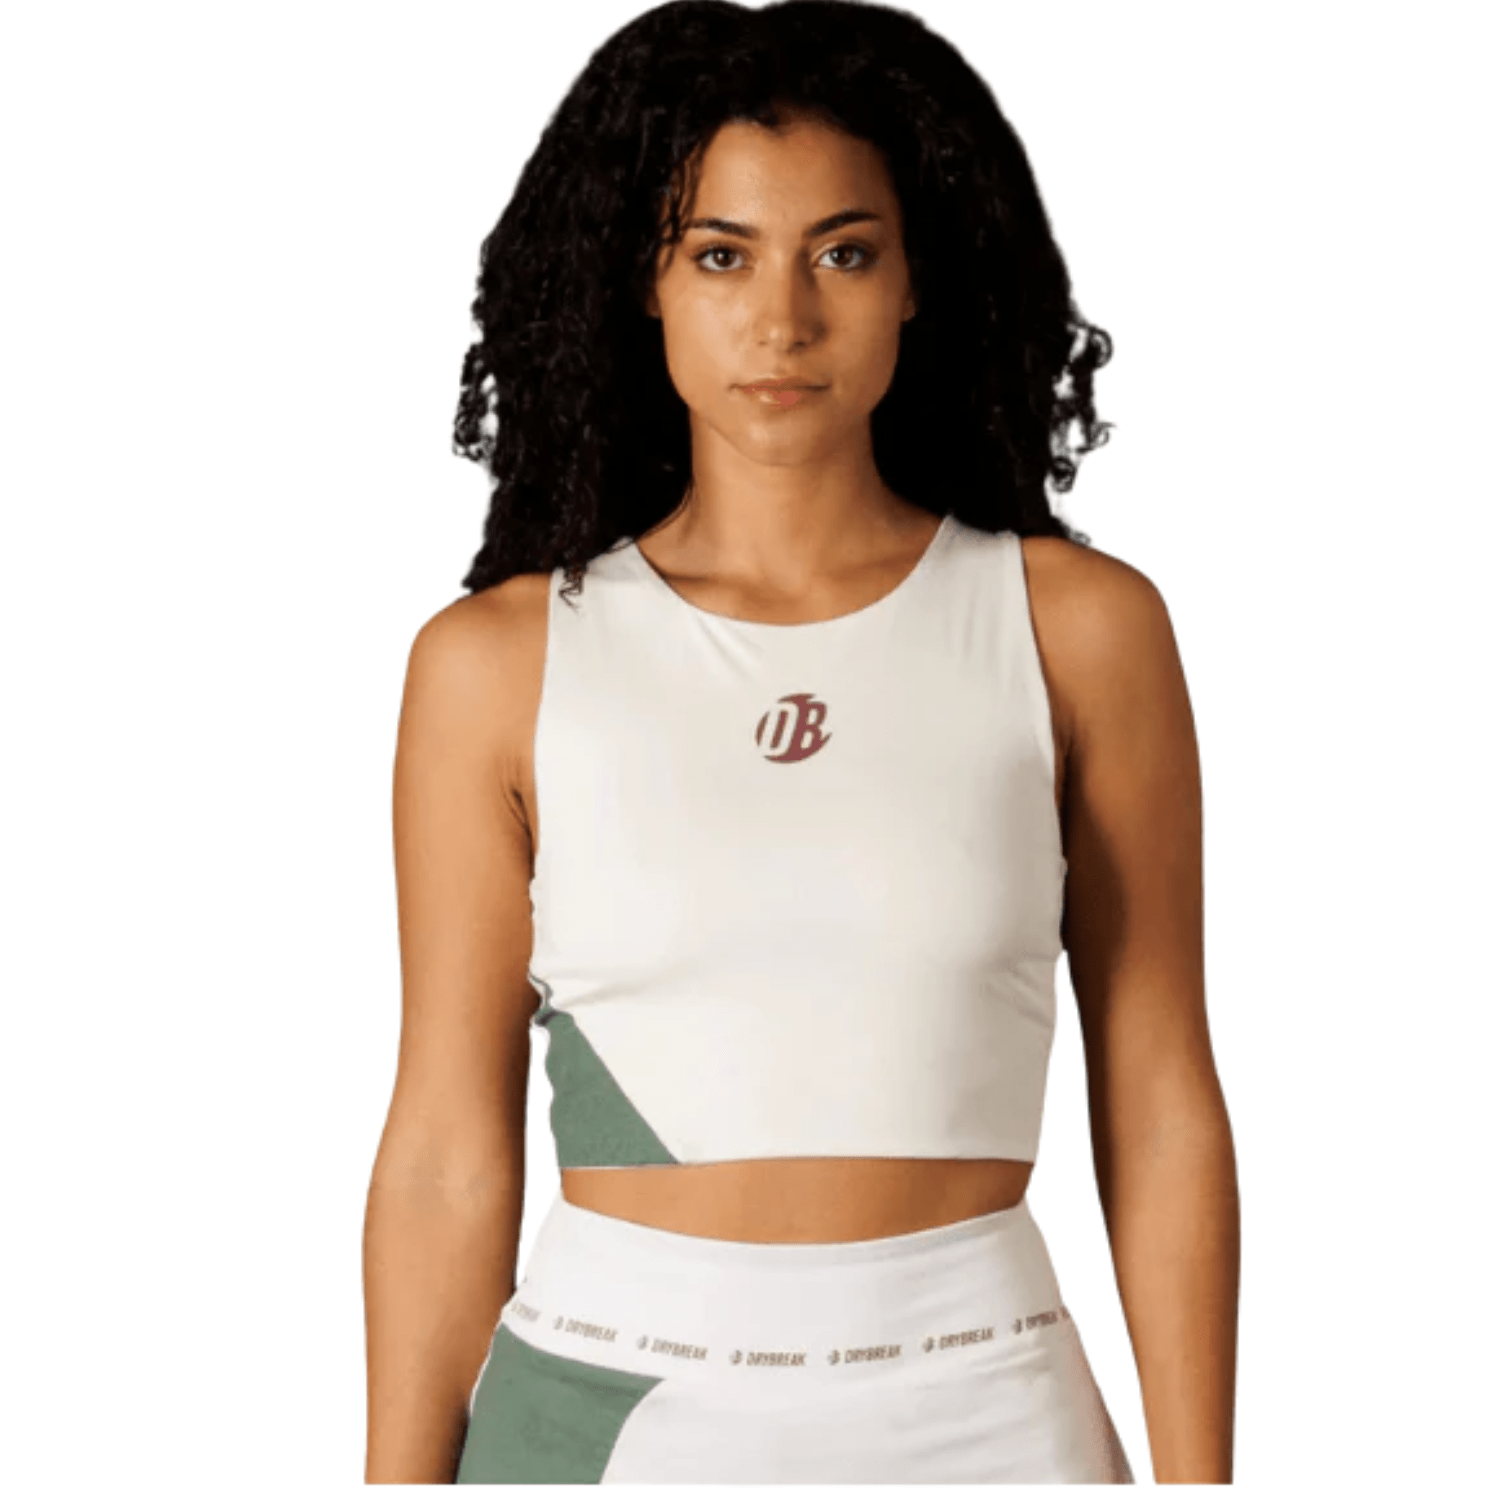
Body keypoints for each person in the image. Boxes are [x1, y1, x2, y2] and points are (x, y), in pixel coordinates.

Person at [363, 0, 1239, 1484]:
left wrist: (1205, 1485)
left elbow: (1159, 1100)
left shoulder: (1078, 630)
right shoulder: (497, 663)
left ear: (916, 280)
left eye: (843, 253)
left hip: (989, 1416)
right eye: (721, 255)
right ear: (644, 284)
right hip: (604, 1416)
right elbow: (449, 1145)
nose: (782, 320)